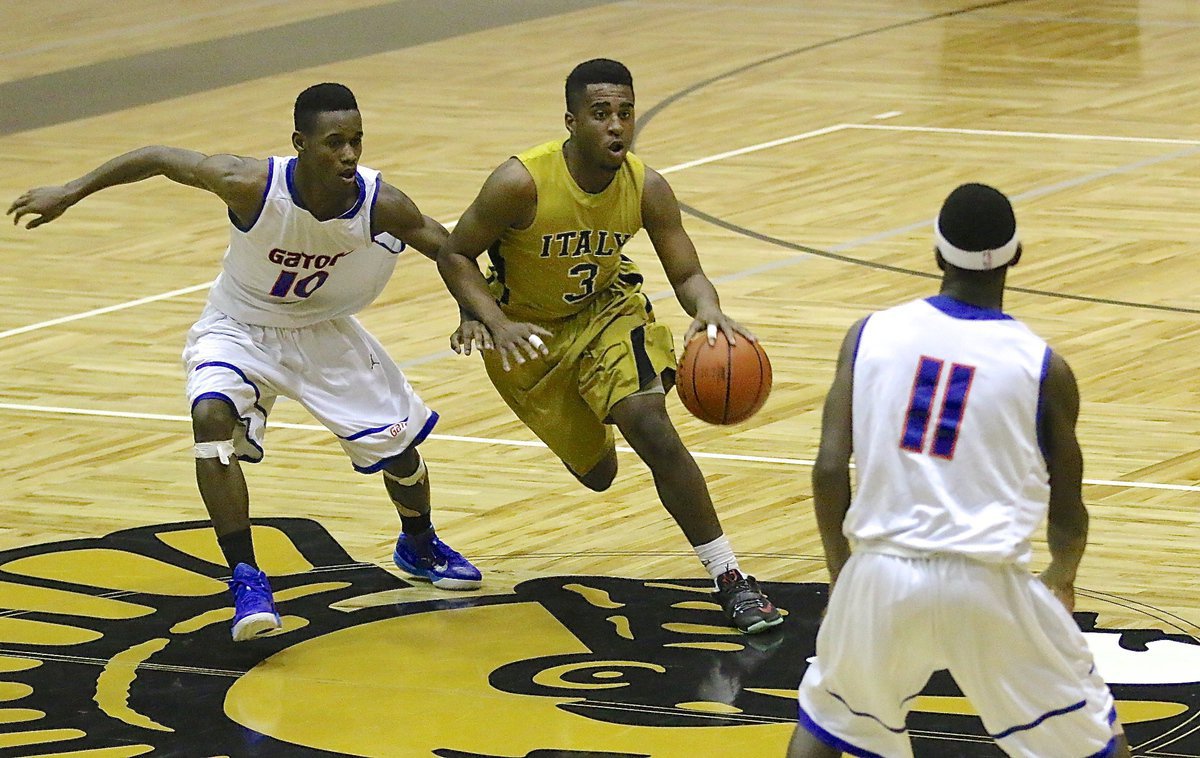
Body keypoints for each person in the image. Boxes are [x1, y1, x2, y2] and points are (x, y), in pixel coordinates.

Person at [7, 82, 482, 642]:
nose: (350, 155)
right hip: (238, 328)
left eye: (356, 141)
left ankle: (419, 542)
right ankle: (246, 577)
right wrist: (71, 190)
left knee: (400, 452)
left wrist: (471, 311)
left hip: (322, 332)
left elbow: (448, 248)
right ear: (299, 143)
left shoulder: (382, 203)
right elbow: (158, 158)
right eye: (334, 142)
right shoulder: (249, 184)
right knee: (210, 421)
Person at [436, 58, 781, 634]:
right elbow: (455, 252)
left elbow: (687, 272)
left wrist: (709, 309)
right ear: (571, 121)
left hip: (607, 314)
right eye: (601, 114)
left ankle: (730, 578)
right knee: (598, 475)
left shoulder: (647, 187)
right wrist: (487, 318)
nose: (617, 125)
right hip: (528, 336)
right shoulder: (520, 183)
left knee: (649, 422)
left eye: (625, 112)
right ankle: (593, 412)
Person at [788, 183, 1130, 757]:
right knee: (1093, 738)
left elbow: (828, 470)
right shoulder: (1044, 367)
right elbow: (1067, 509)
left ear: (938, 255)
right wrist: (1061, 577)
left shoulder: (869, 335)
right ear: (1017, 256)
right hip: (986, 584)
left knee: (825, 724)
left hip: (882, 573)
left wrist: (841, 574)